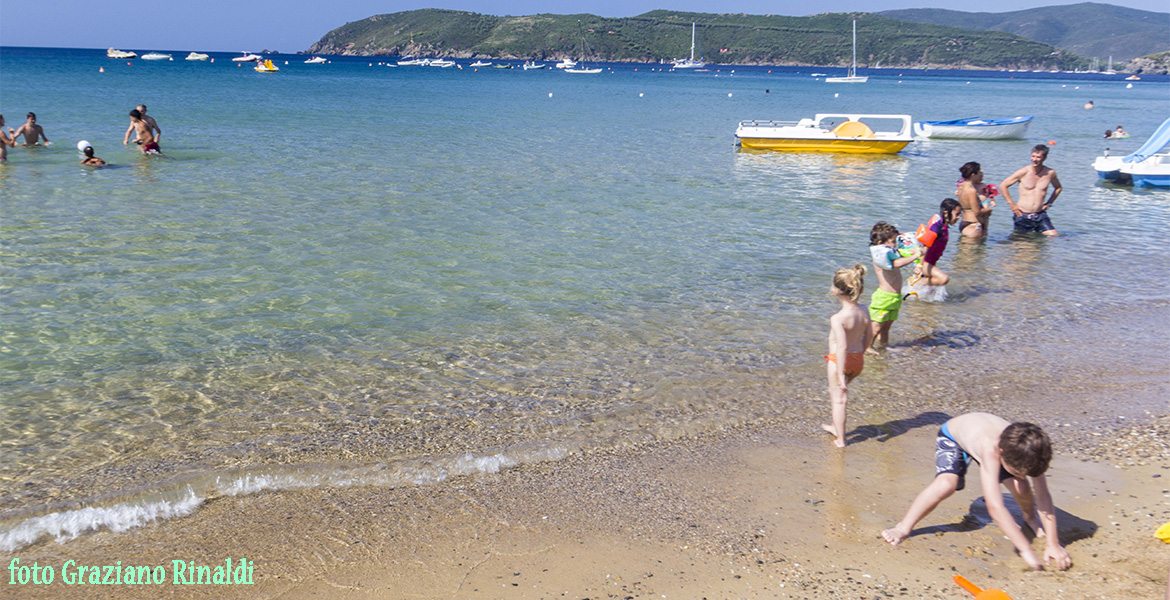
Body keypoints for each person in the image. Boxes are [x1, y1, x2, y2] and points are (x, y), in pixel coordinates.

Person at [882, 413, 1072, 572]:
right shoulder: (990, 450)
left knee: (1022, 487)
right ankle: (903, 527)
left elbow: (1043, 495)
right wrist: (1025, 549)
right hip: (954, 436)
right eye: (1017, 473)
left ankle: (1030, 518)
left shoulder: (1033, 451)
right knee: (947, 484)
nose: (1023, 476)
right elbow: (995, 506)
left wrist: (1053, 542)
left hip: (997, 444)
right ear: (1002, 453)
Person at [821, 264, 872, 448]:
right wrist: (864, 349)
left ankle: (840, 439)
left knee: (839, 400)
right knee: (835, 393)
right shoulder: (864, 310)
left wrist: (841, 374)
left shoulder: (838, 318)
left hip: (839, 361)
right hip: (858, 359)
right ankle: (836, 426)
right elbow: (870, 334)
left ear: (835, 291)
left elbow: (841, 347)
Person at [866, 222, 919, 353]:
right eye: (892, 241)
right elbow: (897, 263)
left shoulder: (891, 252)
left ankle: (884, 346)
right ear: (880, 243)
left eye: (895, 241)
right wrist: (915, 256)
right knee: (877, 326)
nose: (895, 244)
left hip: (894, 297)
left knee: (886, 326)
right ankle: (867, 347)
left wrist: (915, 252)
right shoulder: (880, 256)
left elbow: (902, 256)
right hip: (884, 297)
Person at [999, 144, 1062, 237]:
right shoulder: (1023, 172)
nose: (1034, 159)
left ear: (1045, 158)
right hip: (1022, 215)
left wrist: (1049, 203)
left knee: (1053, 236)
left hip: (1041, 215)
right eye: (1033, 156)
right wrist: (1012, 205)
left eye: (1038, 157)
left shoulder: (1050, 173)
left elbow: (1058, 188)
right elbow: (1003, 185)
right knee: (1023, 245)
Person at [913, 198, 962, 287]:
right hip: (924, 263)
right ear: (946, 213)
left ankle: (917, 287)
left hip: (931, 263)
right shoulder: (936, 228)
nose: (959, 217)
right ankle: (918, 283)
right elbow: (925, 246)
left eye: (960, 214)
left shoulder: (944, 228)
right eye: (957, 214)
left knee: (928, 295)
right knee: (943, 278)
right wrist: (919, 266)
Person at [956, 162, 995, 238]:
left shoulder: (961, 187)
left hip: (964, 222)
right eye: (978, 173)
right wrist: (988, 210)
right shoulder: (971, 190)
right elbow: (977, 212)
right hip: (973, 225)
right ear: (973, 175)